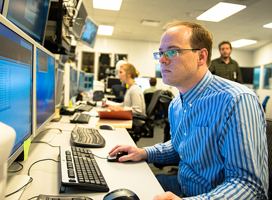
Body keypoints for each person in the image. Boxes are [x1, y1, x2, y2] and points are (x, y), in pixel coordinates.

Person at [109, 21, 268, 199]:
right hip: (181, 186)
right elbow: (179, 147)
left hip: (204, 195)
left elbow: (248, 185)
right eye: (160, 53)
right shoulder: (176, 104)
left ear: (201, 57)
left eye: (172, 51)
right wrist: (144, 152)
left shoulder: (236, 100)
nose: (162, 59)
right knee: (118, 183)